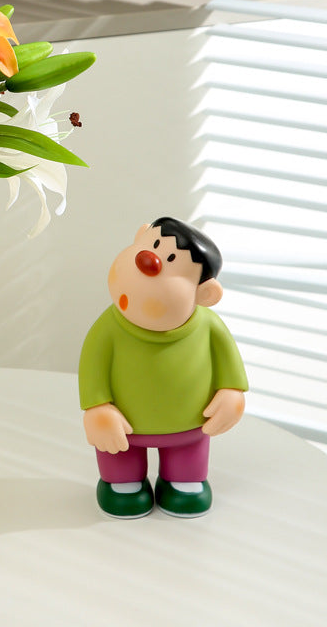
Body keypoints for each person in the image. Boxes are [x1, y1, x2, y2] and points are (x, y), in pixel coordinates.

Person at [78, 217, 248, 518]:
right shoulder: (108, 328)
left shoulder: (210, 328)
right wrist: (98, 408)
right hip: (124, 428)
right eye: (153, 244)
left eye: (171, 261)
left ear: (205, 295)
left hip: (189, 425)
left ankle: (183, 483)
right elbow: (93, 367)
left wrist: (232, 396)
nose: (149, 261)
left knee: (187, 469)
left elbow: (230, 374)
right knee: (119, 462)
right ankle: (122, 484)